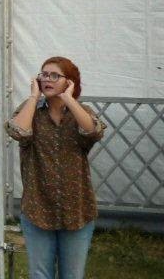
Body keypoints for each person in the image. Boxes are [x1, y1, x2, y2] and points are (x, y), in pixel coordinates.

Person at [7, 56, 105, 279]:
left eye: (54, 75)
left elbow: (94, 131)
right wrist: (34, 97)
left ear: (69, 82)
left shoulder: (81, 112)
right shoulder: (30, 110)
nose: (46, 79)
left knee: (72, 275)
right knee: (40, 275)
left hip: (77, 210)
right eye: (43, 74)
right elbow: (17, 131)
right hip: (37, 208)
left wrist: (69, 100)